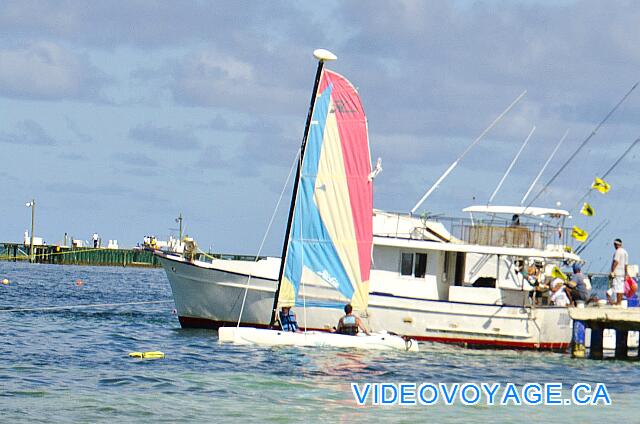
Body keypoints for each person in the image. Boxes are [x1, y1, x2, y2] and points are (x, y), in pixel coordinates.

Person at [610, 238, 629, 305]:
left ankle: (618, 302)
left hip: (617, 272)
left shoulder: (618, 251)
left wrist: (612, 271)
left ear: (616, 244)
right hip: (622, 273)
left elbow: (616, 261)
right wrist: (626, 274)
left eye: (614, 245)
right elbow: (626, 264)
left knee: (617, 288)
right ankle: (619, 302)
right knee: (621, 288)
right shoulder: (625, 252)